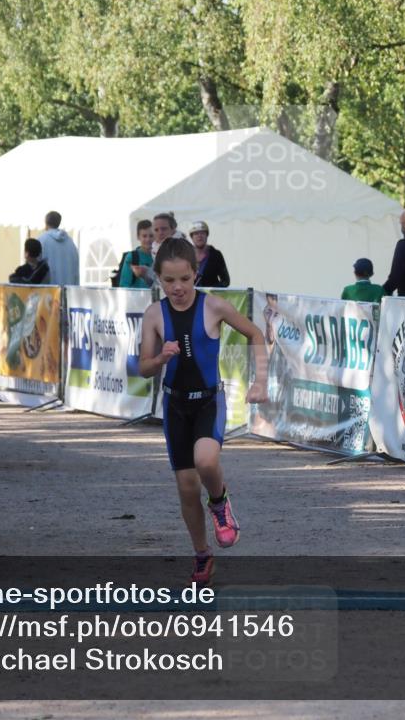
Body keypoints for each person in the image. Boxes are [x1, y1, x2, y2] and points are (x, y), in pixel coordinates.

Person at [139, 237, 268, 585]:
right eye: (169, 280)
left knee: (206, 461)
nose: (177, 287)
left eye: (184, 279)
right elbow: (143, 368)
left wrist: (261, 382)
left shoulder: (214, 307)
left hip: (209, 400)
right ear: (159, 280)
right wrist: (161, 358)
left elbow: (255, 333)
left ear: (196, 274)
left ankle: (220, 502)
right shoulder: (154, 315)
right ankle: (201, 555)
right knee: (184, 486)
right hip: (175, 404)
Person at [37, 210, 79, 286]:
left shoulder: (41, 241)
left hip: (49, 293)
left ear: (46, 223)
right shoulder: (70, 243)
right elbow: (76, 271)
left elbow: (35, 268)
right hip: (67, 292)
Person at [188, 221, 230, 288]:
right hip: (190, 296)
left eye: (202, 233)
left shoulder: (216, 255)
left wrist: (211, 290)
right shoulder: (186, 255)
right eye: (196, 233)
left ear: (207, 235)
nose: (199, 236)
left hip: (210, 297)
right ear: (192, 237)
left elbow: (225, 281)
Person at [117, 219, 154, 289]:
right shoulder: (132, 257)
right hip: (136, 298)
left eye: (151, 236)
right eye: (144, 236)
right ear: (138, 237)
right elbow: (124, 284)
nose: (148, 239)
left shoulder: (159, 256)